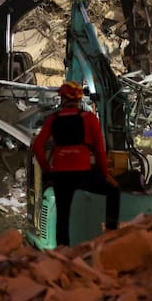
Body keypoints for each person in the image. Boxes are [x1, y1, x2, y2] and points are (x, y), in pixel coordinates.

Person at [30, 79, 119, 246]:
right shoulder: (89, 118)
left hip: (61, 176)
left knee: (63, 217)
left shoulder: (53, 119)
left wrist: (48, 171)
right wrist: (105, 174)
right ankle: (111, 232)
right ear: (79, 100)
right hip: (83, 175)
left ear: (62, 99)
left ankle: (62, 252)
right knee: (113, 191)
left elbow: (37, 146)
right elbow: (100, 150)